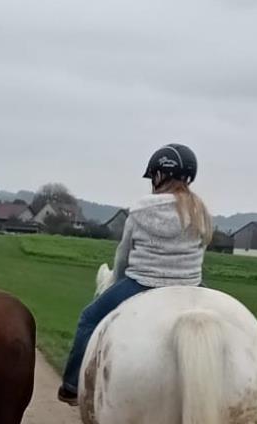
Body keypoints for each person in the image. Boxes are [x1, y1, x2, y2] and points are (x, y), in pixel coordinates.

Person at [58, 143, 213, 405]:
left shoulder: (142, 210)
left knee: (88, 319)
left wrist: (117, 281)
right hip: (191, 286)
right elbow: (200, 251)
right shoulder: (201, 212)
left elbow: (123, 255)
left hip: (142, 283)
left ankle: (72, 386)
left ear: (160, 175)